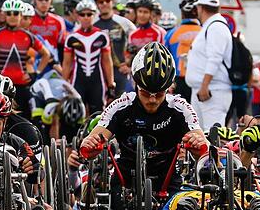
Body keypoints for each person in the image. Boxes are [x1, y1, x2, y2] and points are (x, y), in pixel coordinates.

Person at [80, 43, 206, 200]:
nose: (152, 100)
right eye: (146, 93)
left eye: (159, 94)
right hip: (126, 178)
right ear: (135, 85)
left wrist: (197, 143)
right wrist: (91, 144)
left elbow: (203, 145)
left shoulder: (180, 107)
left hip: (167, 178)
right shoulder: (121, 105)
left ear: (169, 89)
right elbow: (92, 140)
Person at [0, 0, 50, 113]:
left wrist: (35, 74)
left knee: (23, 122)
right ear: (5, 15)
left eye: (16, 13)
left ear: (21, 15)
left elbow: (46, 54)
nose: (12, 16)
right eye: (9, 13)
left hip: (21, 85)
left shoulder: (28, 36)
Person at [184, 0, 233, 129]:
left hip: (212, 91)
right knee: (200, 137)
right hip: (203, 91)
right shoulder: (210, 26)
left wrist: (205, 85)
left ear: (200, 8)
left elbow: (215, 58)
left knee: (213, 136)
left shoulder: (216, 27)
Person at [61, 0, 114, 114]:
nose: (86, 17)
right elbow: (67, 63)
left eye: (89, 14)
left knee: (98, 114)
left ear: (94, 16)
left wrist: (111, 84)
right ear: (78, 16)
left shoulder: (102, 36)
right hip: (78, 80)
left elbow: (107, 61)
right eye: (82, 14)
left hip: (97, 81)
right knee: (75, 112)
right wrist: (63, 83)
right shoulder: (71, 37)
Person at [92, 0, 133, 93]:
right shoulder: (91, 23)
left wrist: (130, 65)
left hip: (120, 71)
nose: (104, 3)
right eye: (101, 1)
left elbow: (137, 44)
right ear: (97, 4)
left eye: (107, 0)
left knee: (122, 104)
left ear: (113, 1)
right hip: (97, 71)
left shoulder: (124, 23)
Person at [163, 0, 201, 101]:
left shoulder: (171, 34)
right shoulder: (205, 32)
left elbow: (165, 61)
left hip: (177, 81)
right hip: (200, 81)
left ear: (182, 13)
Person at [28, 0, 66, 64]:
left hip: (54, 64)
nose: (44, 2)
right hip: (33, 62)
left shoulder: (59, 21)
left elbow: (62, 46)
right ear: (34, 0)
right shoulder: (28, 19)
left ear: (51, 0)